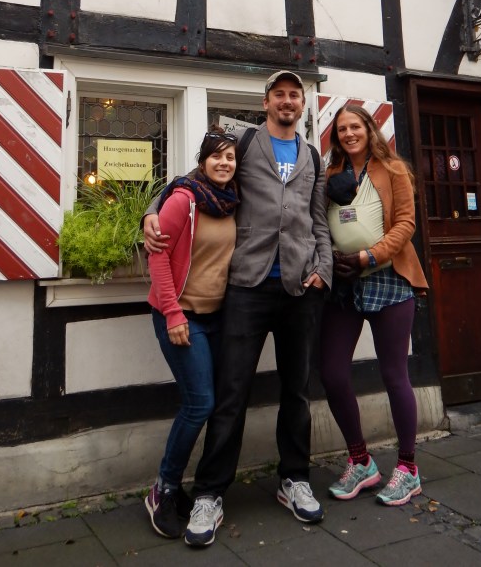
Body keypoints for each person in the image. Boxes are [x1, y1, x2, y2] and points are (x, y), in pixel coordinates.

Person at [144, 71, 333, 547]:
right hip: (246, 287)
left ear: (303, 103)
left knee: (296, 391)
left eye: (295, 95)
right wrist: (152, 208)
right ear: (265, 101)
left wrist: (323, 271)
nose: (287, 101)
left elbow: (319, 220)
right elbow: (192, 177)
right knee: (230, 394)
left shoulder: (313, 155)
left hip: (298, 288)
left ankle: (295, 479)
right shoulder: (245, 142)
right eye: (279, 94)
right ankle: (210, 493)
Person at [319, 104, 429, 507]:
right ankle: (361, 461)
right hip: (344, 285)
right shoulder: (329, 176)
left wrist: (370, 256)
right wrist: (331, 260)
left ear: (370, 129)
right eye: (342, 128)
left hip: (387, 279)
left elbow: (406, 223)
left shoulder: (394, 170)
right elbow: (319, 223)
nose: (348, 133)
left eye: (355, 127)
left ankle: (407, 467)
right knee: (331, 373)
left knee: (394, 375)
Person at [144, 129, 240, 539]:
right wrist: (172, 313)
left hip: (218, 317)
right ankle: (163, 489)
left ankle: (195, 489)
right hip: (182, 316)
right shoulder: (184, 199)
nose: (224, 163)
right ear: (202, 162)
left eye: (231, 157)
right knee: (199, 404)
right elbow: (158, 253)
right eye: (216, 157)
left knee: (212, 403)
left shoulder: (234, 201)